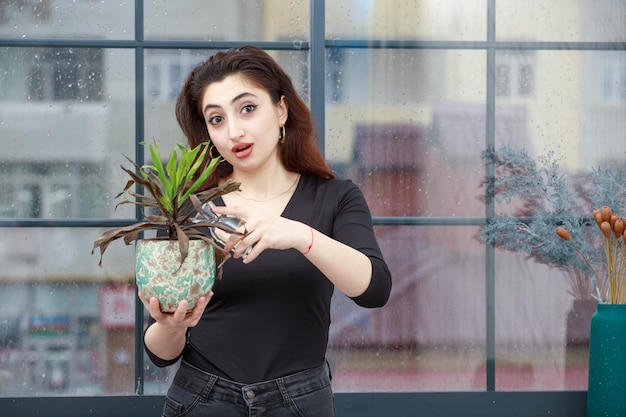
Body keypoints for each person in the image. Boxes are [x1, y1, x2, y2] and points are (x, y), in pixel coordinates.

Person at [140, 45, 392, 417]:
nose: (234, 132)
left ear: (281, 109)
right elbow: (161, 354)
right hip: (204, 399)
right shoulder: (192, 210)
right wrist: (172, 325)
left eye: (247, 108)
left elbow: (374, 290)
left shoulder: (335, 197)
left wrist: (300, 236)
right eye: (216, 119)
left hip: (300, 402)